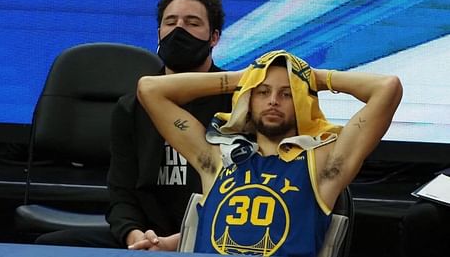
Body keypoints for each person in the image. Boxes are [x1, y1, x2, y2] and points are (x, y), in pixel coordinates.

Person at [135, 50, 403, 256]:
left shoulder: (323, 163)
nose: (273, 100)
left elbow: (387, 88)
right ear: (248, 100)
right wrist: (245, 77)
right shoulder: (217, 158)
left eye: (287, 93)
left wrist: (311, 77)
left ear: (301, 101)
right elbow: (150, 89)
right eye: (262, 91)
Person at [35, 0, 231, 249]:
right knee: (49, 246)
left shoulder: (238, 103)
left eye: (192, 23)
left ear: (214, 37)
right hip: (145, 239)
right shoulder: (131, 107)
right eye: (170, 22)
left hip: (213, 237)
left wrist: (180, 242)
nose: (179, 30)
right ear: (159, 33)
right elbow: (121, 194)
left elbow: (240, 194)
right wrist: (134, 236)